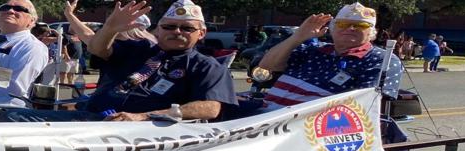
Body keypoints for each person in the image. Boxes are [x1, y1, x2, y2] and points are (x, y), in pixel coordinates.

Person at [82, 1, 235, 122]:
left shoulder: (206, 66)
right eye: (169, 26)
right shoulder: (137, 49)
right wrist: (109, 28)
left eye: (187, 28)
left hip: (145, 132)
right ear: (158, 30)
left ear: (201, 33)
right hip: (90, 117)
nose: (176, 31)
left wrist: (145, 116)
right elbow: (97, 50)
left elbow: (211, 108)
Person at [258, 3, 401, 109]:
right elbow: (267, 65)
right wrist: (298, 37)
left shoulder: (379, 59)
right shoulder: (313, 49)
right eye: (343, 23)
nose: (351, 28)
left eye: (361, 25)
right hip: (265, 114)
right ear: (332, 29)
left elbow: (367, 104)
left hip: (308, 129)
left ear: (371, 33)